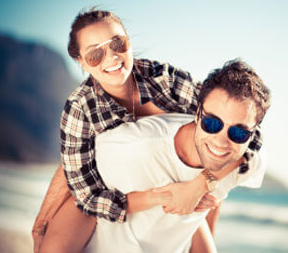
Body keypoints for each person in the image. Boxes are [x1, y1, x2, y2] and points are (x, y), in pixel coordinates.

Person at [32, 8, 263, 252]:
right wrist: (42, 220)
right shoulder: (81, 109)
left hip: (187, 179)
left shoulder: (162, 79)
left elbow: (244, 131)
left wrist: (199, 186)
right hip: (120, 187)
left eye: (117, 43)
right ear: (81, 62)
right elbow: (83, 190)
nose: (111, 57)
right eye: (95, 54)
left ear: (128, 42)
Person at [82, 58, 270, 252]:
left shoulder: (246, 161)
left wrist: (200, 187)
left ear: (252, 135)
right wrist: (164, 197)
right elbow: (82, 196)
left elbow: (230, 178)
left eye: (239, 133)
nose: (221, 142)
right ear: (198, 113)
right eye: (212, 123)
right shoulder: (133, 147)